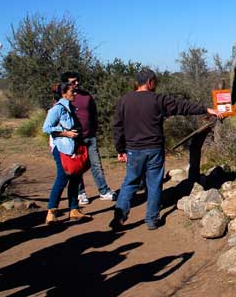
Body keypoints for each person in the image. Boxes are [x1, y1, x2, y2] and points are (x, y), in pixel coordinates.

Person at [111, 68, 221, 230]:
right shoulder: (158, 99)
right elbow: (182, 106)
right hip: (154, 149)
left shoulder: (124, 100)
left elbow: (117, 127)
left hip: (133, 150)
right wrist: (207, 110)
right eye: (155, 82)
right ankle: (152, 219)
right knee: (154, 183)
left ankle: (119, 217)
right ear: (149, 82)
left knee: (130, 182)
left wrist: (120, 149)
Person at [59, 72, 116, 205]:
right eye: (73, 82)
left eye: (77, 81)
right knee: (77, 167)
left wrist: (94, 130)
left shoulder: (86, 96)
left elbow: (94, 113)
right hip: (74, 139)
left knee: (96, 164)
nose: (76, 84)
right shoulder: (62, 98)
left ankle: (103, 191)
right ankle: (81, 193)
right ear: (66, 84)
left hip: (90, 137)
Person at [42, 81, 92, 224]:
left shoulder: (70, 107)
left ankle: (74, 209)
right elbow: (46, 128)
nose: (75, 94)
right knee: (62, 178)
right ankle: (51, 211)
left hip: (72, 147)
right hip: (62, 148)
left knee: (75, 177)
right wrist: (66, 133)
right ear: (64, 94)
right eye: (72, 92)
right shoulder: (57, 109)